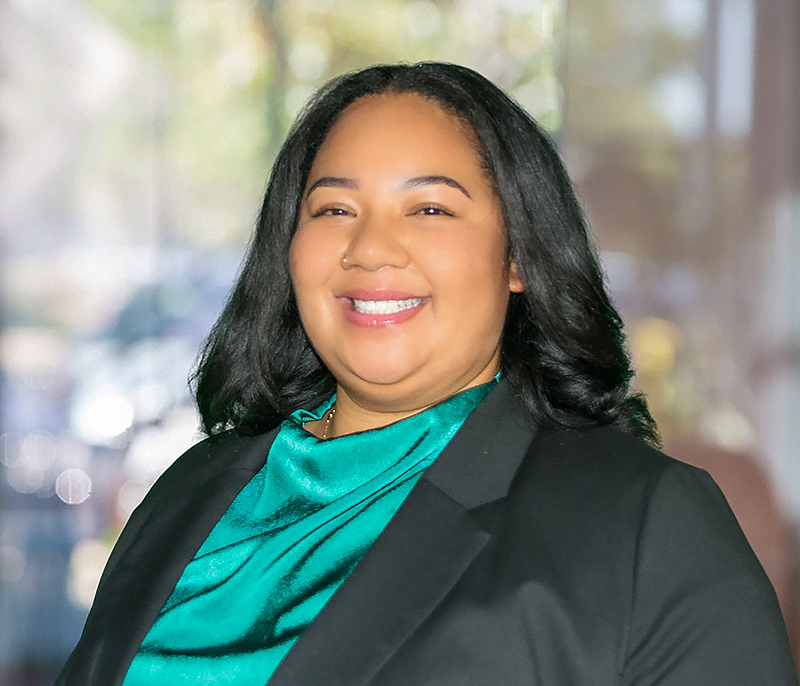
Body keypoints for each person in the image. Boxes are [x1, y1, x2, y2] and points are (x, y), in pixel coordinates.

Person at [55, 62, 798, 685]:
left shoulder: (647, 523)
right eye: (334, 208)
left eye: (431, 209)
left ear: (518, 258)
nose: (371, 247)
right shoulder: (192, 491)